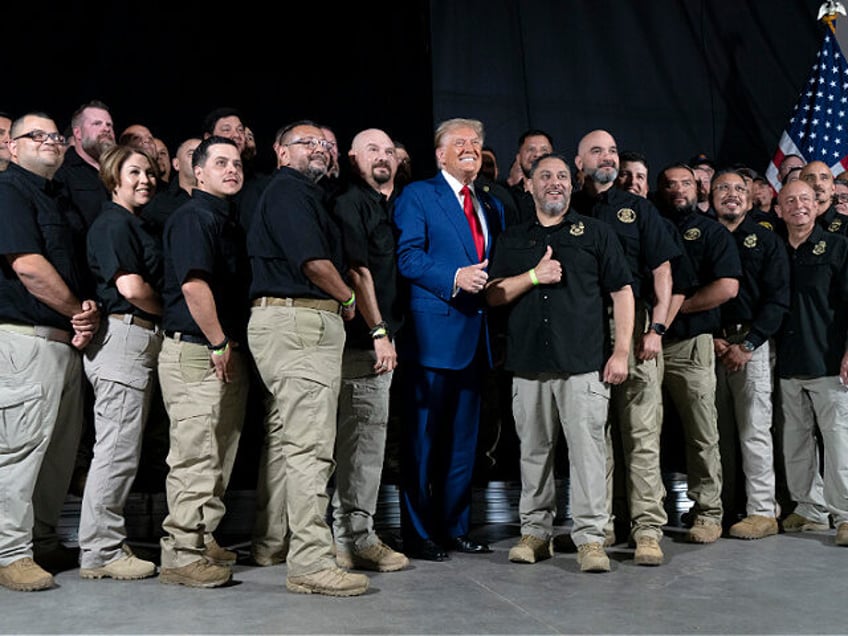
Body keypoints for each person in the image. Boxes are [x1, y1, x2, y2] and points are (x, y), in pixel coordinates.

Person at [486, 153, 634, 572]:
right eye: (545, 176)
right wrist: (534, 275)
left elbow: (622, 292)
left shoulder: (596, 233)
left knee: (588, 454)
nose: (555, 183)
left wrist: (621, 351)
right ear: (529, 186)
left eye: (563, 177)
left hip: (583, 365)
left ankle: (590, 540)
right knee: (533, 453)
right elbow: (493, 295)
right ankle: (535, 533)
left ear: (573, 185)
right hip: (528, 364)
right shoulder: (512, 238)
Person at [246, 119, 369, 596]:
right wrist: (348, 300)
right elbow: (314, 263)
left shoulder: (304, 195)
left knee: (293, 443)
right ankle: (311, 563)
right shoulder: (288, 192)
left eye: (324, 143)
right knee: (310, 451)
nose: (319, 149)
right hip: (300, 322)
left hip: (294, 325)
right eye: (306, 143)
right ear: (280, 152)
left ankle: (277, 545)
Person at [393, 117, 505, 562]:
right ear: (439, 154)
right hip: (432, 338)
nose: (470, 147)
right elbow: (407, 257)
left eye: (476, 142)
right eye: (459, 142)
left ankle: (455, 527)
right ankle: (418, 534)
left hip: (477, 340)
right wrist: (454, 276)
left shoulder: (489, 205)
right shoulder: (419, 195)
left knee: (464, 443)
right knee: (422, 442)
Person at [0, 112, 100, 591]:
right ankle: (9, 552)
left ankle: (41, 540)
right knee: (18, 451)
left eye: (56, 137)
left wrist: (80, 316)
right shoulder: (8, 191)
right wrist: (77, 311)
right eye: (34, 135)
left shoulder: (57, 197)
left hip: (63, 342)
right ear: (12, 147)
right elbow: (29, 266)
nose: (49, 142)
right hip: (26, 339)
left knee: (57, 452)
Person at [571, 130, 679, 565]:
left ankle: (648, 530)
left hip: (635, 331)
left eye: (613, 150)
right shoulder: (567, 209)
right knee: (592, 439)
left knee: (642, 436)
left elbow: (664, 272)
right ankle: (601, 526)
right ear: (579, 162)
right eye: (597, 150)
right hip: (583, 333)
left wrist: (657, 328)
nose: (608, 157)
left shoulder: (639, 210)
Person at [157, 136, 250, 588]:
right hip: (197, 350)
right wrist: (217, 343)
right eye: (220, 162)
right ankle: (179, 554)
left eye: (236, 162)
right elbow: (194, 287)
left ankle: (201, 536)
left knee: (219, 454)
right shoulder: (193, 217)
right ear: (198, 171)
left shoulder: (226, 220)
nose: (231, 169)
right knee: (195, 455)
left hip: (219, 349)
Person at [78, 145, 163, 580]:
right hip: (124, 337)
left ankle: (105, 542)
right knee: (115, 451)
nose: (145, 178)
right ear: (113, 177)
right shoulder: (113, 224)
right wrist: (166, 308)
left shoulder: (134, 223)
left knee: (121, 450)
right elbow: (130, 288)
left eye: (149, 172)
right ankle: (100, 552)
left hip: (135, 338)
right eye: (134, 172)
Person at [330, 128, 409, 572]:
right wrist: (378, 331)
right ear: (352, 158)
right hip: (359, 346)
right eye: (371, 150)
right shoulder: (348, 203)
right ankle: (354, 540)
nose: (383, 157)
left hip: (376, 342)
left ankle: (350, 538)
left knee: (365, 445)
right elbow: (358, 272)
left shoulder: (387, 206)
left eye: (388, 150)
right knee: (359, 445)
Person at [656, 163, 741, 544]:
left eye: (685, 184)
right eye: (670, 184)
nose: (678, 190)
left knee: (702, 433)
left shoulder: (712, 233)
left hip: (691, 344)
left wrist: (675, 310)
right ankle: (645, 512)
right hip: (648, 346)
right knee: (643, 435)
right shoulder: (651, 226)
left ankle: (708, 512)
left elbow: (727, 288)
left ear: (699, 189)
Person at [710, 170, 789, 539]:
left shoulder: (766, 240)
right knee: (715, 435)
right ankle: (718, 508)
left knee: (754, 431)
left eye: (739, 189)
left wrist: (748, 344)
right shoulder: (700, 236)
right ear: (710, 196)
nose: (731, 195)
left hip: (750, 344)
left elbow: (777, 301)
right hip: (708, 346)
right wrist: (709, 336)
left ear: (750, 197)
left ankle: (761, 510)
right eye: (723, 188)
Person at [774, 179, 848, 547]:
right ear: (778, 209)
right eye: (790, 200)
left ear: (818, 205)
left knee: (839, 442)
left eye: (805, 199)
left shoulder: (837, 247)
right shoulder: (776, 250)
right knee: (796, 442)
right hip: (787, 364)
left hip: (829, 362)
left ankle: (846, 514)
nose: (798, 206)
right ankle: (810, 509)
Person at [54, 100, 115, 228]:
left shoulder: (121, 171)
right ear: (78, 133)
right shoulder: (60, 173)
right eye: (97, 123)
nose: (106, 129)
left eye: (109, 125)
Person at [142, 137, 201, 236]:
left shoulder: (223, 200)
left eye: (205, 155)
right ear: (176, 164)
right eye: (191, 154)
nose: (199, 159)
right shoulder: (158, 205)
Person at [506, 129, 553, 226]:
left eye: (544, 150)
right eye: (531, 149)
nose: (538, 154)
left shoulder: (569, 195)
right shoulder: (507, 198)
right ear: (519, 158)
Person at [799, 160, 848, 237]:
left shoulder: (846, 226)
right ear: (799, 187)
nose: (817, 183)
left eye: (824, 178)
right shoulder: (787, 223)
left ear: (833, 188)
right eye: (810, 178)